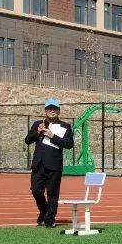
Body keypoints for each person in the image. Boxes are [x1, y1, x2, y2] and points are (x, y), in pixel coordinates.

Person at [24, 98, 74, 228]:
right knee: (35, 190)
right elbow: (27, 140)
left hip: (54, 165)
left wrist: (53, 136)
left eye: (54, 109)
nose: (52, 111)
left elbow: (69, 144)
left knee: (52, 193)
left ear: (58, 111)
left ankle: (50, 219)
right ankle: (44, 211)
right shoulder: (37, 124)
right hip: (38, 164)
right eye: (49, 108)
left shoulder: (66, 126)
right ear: (46, 110)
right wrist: (38, 132)